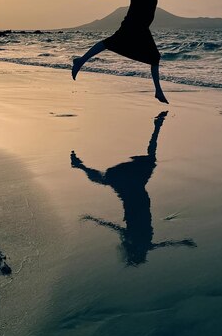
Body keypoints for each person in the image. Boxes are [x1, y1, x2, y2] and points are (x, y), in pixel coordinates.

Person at [71, 0, 204, 103]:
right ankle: (158, 91)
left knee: (112, 43)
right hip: (138, 23)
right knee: (152, 56)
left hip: (134, 21)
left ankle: (81, 61)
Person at [70, 112, 196, 266]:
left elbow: (113, 226)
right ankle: (157, 128)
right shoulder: (140, 242)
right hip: (135, 192)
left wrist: (93, 219)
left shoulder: (138, 241)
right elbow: (164, 244)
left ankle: (80, 166)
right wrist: (183, 242)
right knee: (109, 177)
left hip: (134, 193)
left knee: (108, 177)